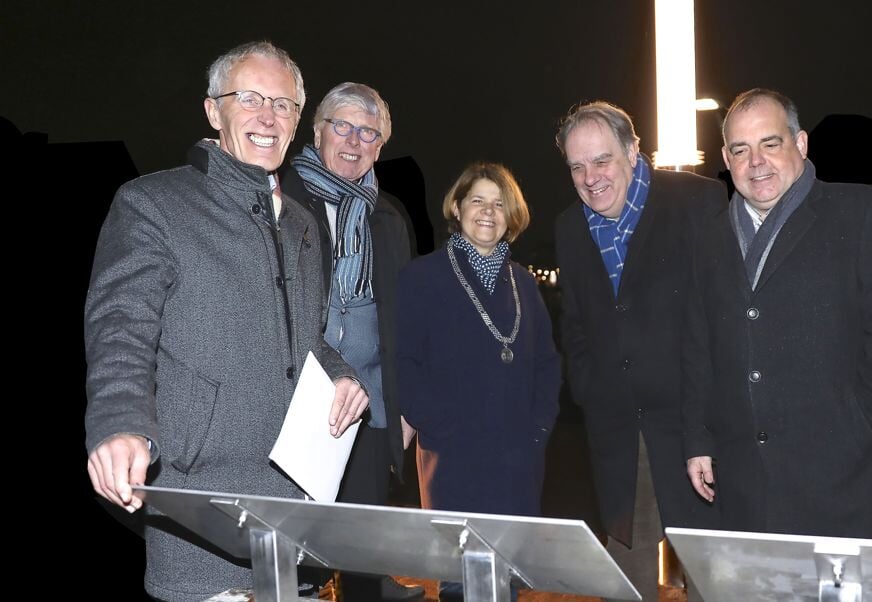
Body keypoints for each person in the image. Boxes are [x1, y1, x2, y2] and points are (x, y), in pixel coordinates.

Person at [84, 41, 369, 601]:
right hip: (201, 503)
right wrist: (119, 423)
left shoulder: (305, 226)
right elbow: (121, 326)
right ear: (214, 110)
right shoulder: (153, 203)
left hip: (295, 505)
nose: (268, 116)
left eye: (284, 105)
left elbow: (305, 337)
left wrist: (340, 374)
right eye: (251, 98)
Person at [682, 88, 872, 538]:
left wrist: (862, 431)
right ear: (726, 156)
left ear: (800, 144)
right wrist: (699, 438)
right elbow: (699, 346)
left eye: (770, 144)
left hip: (839, 484)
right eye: (741, 150)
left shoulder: (863, 214)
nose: (755, 162)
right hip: (742, 485)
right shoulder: (709, 239)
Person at [553, 101, 725, 601]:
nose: (590, 178)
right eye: (576, 166)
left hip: (698, 431)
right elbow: (577, 323)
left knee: (711, 575)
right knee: (626, 578)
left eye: (602, 160)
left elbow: (723, 317)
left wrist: (710, 419)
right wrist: (591, 390)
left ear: (633, 151)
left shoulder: (700, 203)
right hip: (620, 433)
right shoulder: (569, 226)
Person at [280, 82, 422, 600]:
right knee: (301, 550)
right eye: (342, 126)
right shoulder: (281, 199)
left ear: (380, 145)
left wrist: (405, 408)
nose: (354, 140)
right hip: (299, 398)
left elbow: (403, 320)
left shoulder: (389, 217)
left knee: (363, 544)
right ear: (317, 131)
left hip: (372, 403)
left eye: (369, 132)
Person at [398, 162, 561, 599]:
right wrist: (441, 425)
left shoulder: (524, 283)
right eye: (477, 200)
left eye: (499, 204)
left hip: (516, 465)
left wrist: (538, 430)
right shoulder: (423, 277)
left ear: (512, 216)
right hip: (454, 461)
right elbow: (404, 364)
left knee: (503, 584)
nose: (488, 212)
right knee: (459, 583)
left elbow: (547, 363)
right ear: (456, 206)